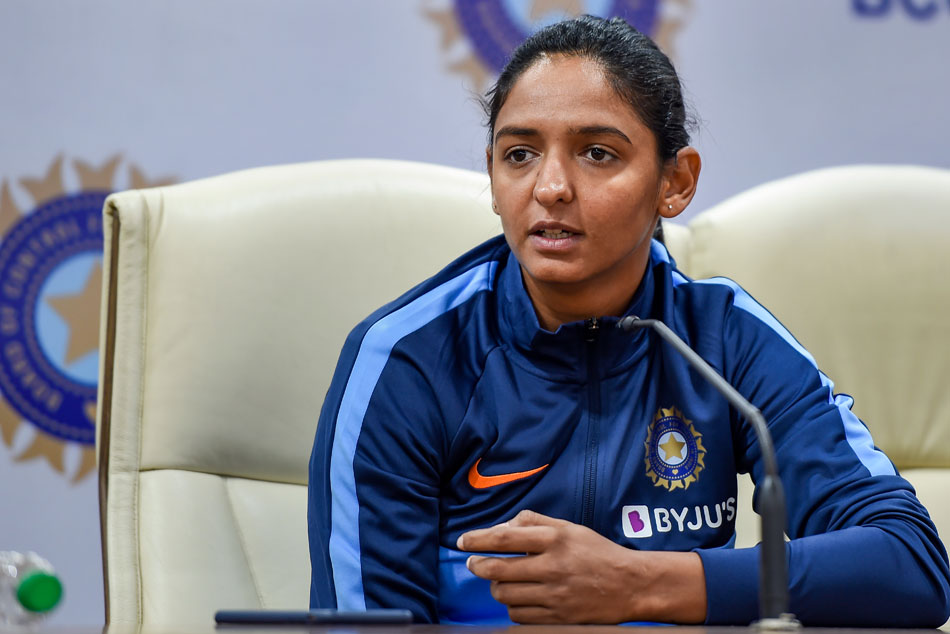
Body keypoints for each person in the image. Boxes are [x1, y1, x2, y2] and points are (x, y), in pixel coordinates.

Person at [308, 15, 950, 626]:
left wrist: (640, 583)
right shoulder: (407, 359)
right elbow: (367, 628)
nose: (550, 187)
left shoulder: (725, 339)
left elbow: (910, 563)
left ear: (676, 182)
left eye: (596, 153)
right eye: (520, 154)